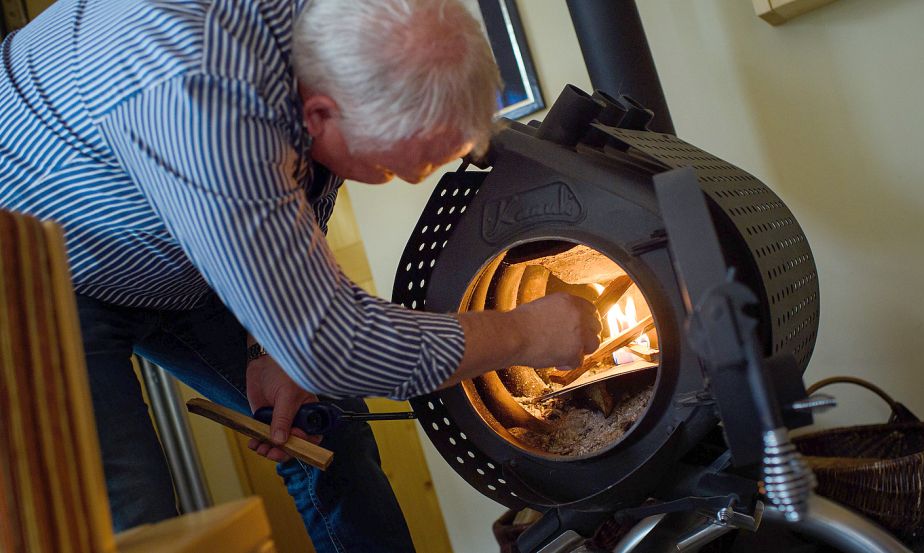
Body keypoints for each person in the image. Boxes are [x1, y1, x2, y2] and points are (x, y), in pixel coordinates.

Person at [0, 0, 601, 551]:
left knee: (324, 432)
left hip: (177, 245)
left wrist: (269, 341)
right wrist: (526, 334)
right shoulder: (195, 90)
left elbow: (306, 185)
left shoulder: (333, 30)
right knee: (136, 516)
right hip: (37, 271)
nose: (408, 178)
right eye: (391, 168)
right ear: (316, 113)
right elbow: (331, 345)